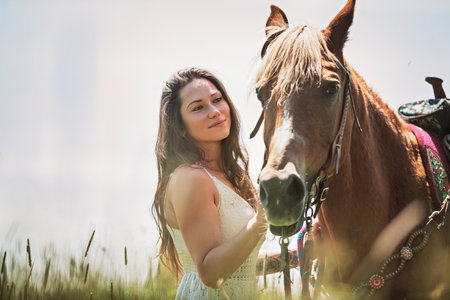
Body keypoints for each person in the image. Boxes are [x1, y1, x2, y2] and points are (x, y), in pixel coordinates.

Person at [153, 67, 268, 299]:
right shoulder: (191, 178)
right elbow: (210, 273)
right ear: (181, 128)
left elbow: (238, 269)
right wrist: (259, 223)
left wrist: (298, 257)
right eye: (198, 108)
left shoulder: (227, 176)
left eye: (217, 100)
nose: (215, 111)